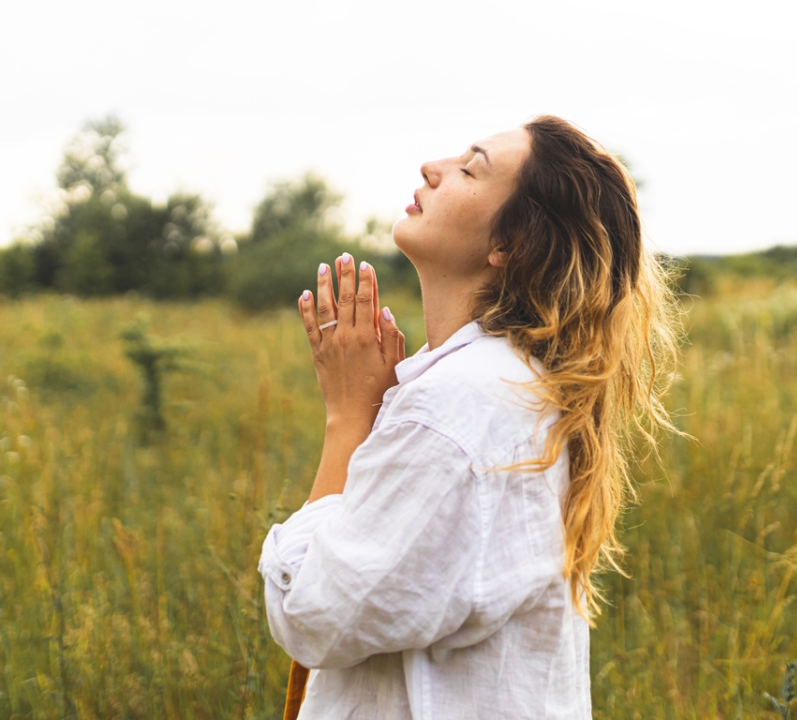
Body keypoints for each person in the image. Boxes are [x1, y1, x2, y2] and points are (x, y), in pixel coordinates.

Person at [258, 116, 681, 719]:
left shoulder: (457, 408)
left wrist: (349, 418)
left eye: (469, 168)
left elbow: (316, 617)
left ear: (511, 245)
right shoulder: (512, 385)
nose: (433, 167)